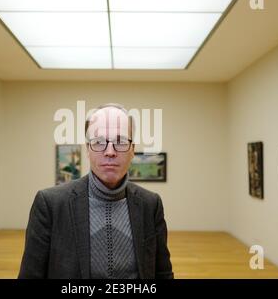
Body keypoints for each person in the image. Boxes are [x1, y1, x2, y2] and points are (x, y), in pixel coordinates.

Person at [18, 103, 173, 279]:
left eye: (120, 142)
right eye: (98, 142)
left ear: (132, 150)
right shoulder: (50, 204)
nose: (110, 152)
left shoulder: (150, 204)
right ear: (88, 149)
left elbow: (163, 273)